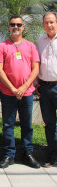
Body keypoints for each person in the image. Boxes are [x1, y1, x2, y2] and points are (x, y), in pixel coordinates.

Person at [0, 15, 40, 169]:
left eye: (18, 24)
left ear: (23, 27)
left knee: (27, 124)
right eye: (13, 24)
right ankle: (9, 154)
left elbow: (36, 68)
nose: (16, 27)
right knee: (8, 124)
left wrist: (24, 87)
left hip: (27, 93)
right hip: (8, 92)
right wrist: (13, 88)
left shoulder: (31, 46)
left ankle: (28, 153)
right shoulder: (2, 46)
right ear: (9, 26)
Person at [36, 12, 57, 167]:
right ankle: (53, 156)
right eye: (47, 22)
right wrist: (36, 83)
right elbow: (36, 64)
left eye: (52, 22)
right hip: (45, 88)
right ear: (43, 24)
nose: (49, 25)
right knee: (49, 123)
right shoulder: (40, 42)